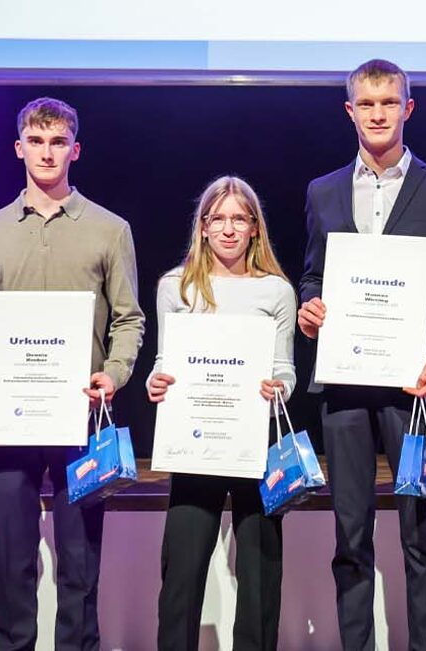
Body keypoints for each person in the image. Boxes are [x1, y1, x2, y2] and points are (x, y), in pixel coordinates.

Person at [0, 97, 146, 651]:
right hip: (9, 415)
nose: (46, 152)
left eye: (58, 141)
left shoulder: (110, 230)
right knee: (12, 558)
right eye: (36, 142)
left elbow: (129, 318)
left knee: (79, 561)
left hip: (81, 417)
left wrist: (113, 374)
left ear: (75, 150)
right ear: (19, 149)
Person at [296, 59, 426, 651]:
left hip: (414, 389)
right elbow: (313, 274)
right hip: (343, 385)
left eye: (389, 102)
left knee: (421, 533)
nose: (378, 114)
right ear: (350, 111)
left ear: (407, 109)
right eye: (367, 104)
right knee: (350, 535)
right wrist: (310, 306)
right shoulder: (323, 190)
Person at [147, 175, 296, 651]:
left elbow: (286, 370)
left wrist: (280, 389)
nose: (229, 229)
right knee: (182, 573)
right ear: (203, 226)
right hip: (196, 442)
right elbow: (163, 362)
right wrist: (157, 382)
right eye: (218, 219)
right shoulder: (176, 285)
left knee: (258, 570)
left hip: (258, 440)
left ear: (255, 227)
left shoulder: (276, 291)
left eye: (239, 218)